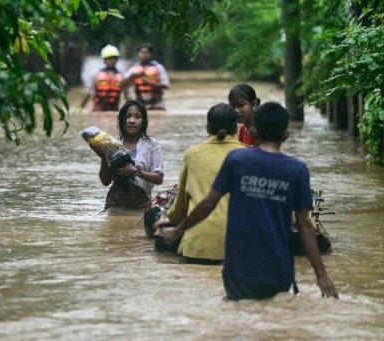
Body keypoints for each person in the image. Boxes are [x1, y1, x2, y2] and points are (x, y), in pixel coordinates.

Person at [163, 102, 338, 300]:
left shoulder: (237, 161)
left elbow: (208, 203)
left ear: (253, 131)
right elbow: (304, 224)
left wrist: (178, 231)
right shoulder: (297, 170)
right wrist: (321, 275)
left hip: (239, 267)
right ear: (286, 134)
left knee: (240, 319)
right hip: (278, 268)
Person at [153, 103, 245, 265]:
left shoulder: (193, 154)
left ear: (208, 129)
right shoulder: (249, 154)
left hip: (199, 244)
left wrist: (170, 219)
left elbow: (182, 201)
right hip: (239, 245)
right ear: (236, 129)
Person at [95, 100, 164, 210]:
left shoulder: (152, 145)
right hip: (114, 204)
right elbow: (105, 181)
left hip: (142, 205)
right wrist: (103, 157)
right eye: (128, 116)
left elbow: (159, 178)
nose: (132, 121)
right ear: (122, 120)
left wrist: (136, 172)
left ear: (144, 121)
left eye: (137, 117)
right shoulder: (113, 144)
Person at [76, 44, 131, 113]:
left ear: (117, 60)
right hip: (98, 109)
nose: (111, 61)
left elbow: (127, 95)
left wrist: (130, 109)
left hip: (114, 110)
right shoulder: (96, 75)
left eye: (113, 58)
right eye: (109, 59)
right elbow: (88, 93)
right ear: (104, 60)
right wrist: (80, 107)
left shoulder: (122, 76)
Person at [123, 43, 170, 111]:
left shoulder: (158, 67)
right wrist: (133, 76)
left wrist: (149, 83)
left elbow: (166, 85)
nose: (144, 55)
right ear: (138, 54)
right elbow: (122, 84)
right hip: (140, 102)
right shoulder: (133, 69)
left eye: (147, 52)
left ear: (151, 54)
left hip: (157, 102)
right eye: (142, 52)